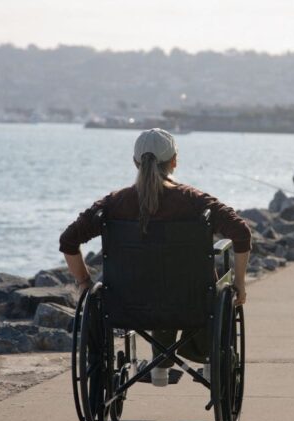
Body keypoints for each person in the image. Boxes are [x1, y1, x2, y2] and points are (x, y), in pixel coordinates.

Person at [59, 128, 251, 387]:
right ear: (174, 161)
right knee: (191, 284)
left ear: (136, 162)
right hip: (192, 304)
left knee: (156, 282)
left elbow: (68, 241)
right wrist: (239, 283)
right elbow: (241, 233)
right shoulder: (193, 201)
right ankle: (200, 354)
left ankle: (160, 364)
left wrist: (83, 283)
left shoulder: (114, 204)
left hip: (127, 304)